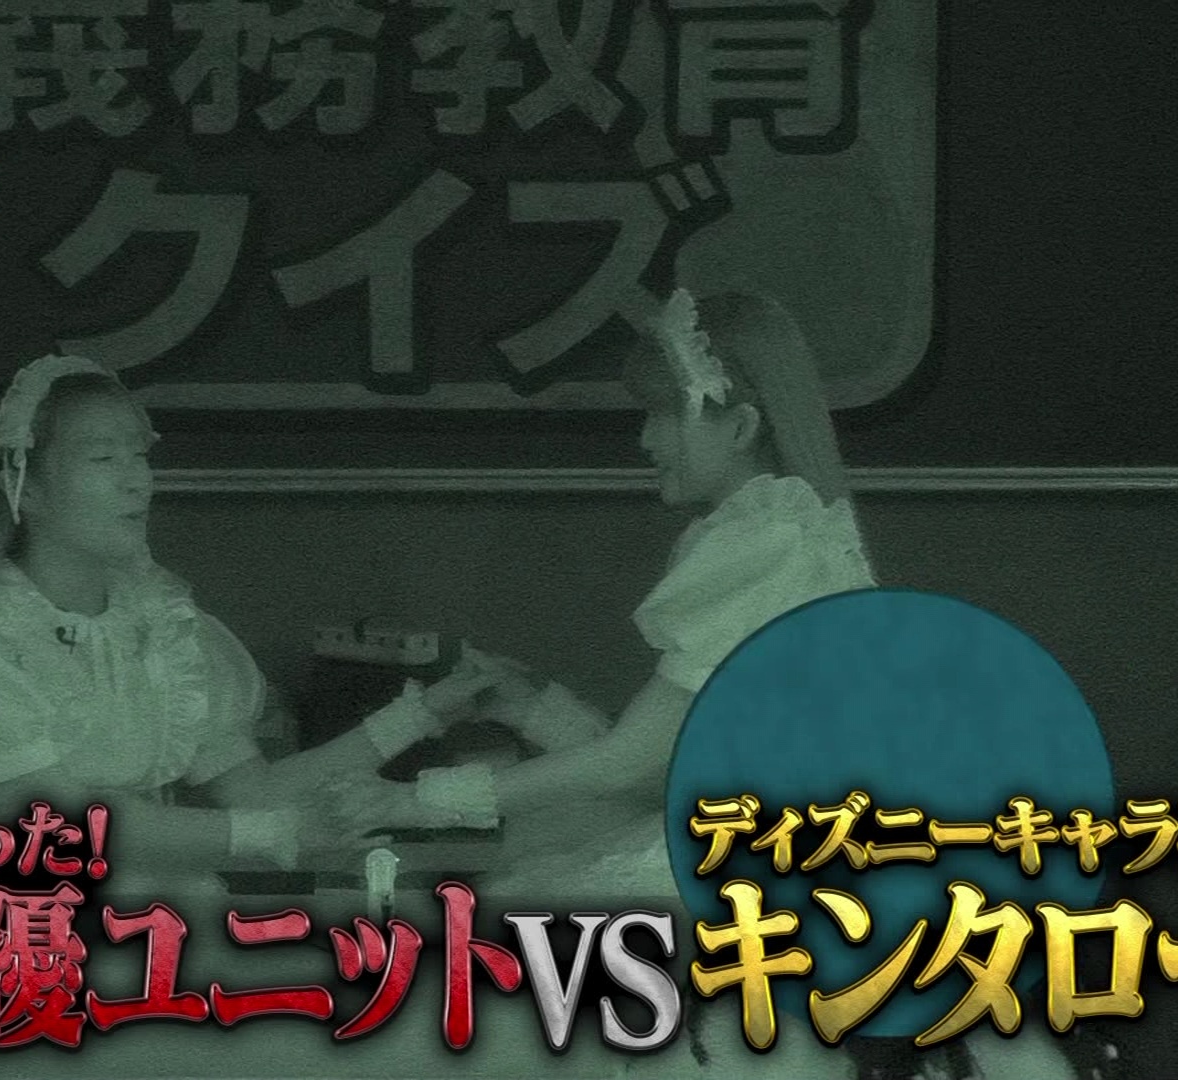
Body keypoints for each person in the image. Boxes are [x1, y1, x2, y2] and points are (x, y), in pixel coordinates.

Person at [346, 288, 1096, 1080]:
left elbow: (632, 766)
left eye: (665, 415)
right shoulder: (776, 532)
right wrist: (535, 708)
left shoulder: (764, 544)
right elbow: (681, 767)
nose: (645, 438)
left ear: (739, 427)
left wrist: (415, 800)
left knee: (517, 956)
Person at [0, 353, 490, 1079]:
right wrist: (276, 835)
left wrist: (419, 715)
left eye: (140, 457)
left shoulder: (165, 626)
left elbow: (255, 791)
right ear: (26, 485)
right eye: (102, 458)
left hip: (155, 918)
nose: (136, 480)